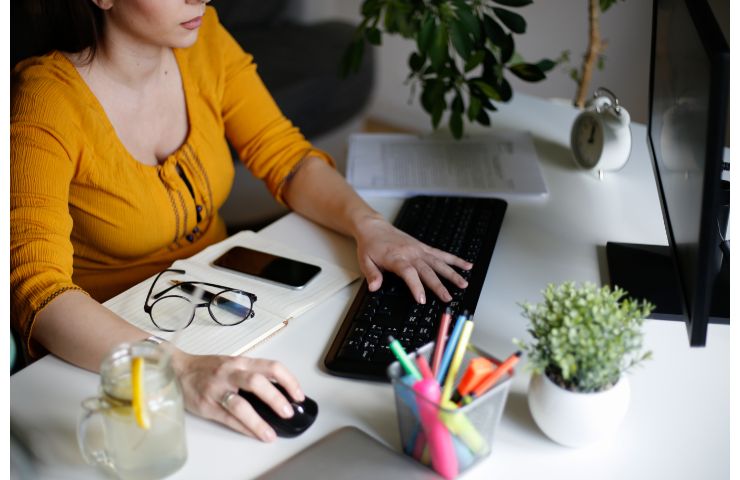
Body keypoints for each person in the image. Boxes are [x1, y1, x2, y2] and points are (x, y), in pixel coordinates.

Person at [10, 0, 471, 442]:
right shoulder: (45, 101)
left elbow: (285, 157)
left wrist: (370, 226)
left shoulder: (203, 38)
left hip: (226, 308)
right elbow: (40, 292)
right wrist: (182, 369)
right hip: (113, 351)